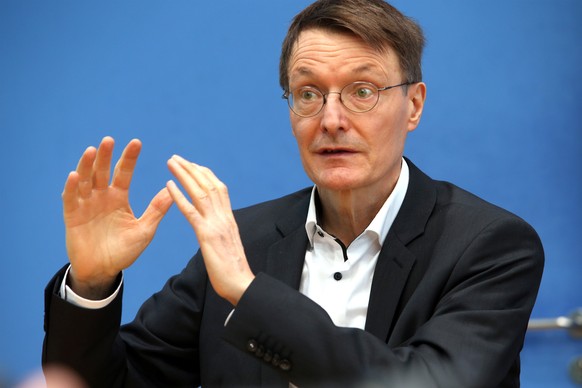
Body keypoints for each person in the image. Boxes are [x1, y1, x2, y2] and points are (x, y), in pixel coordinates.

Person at [42, 0, 544, 386]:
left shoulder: (490, 245)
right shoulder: (246, 240)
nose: (331, 119)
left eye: (362, 91)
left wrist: (249, 292)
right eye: (308, 94)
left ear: (414, 105)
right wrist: (91, 285)